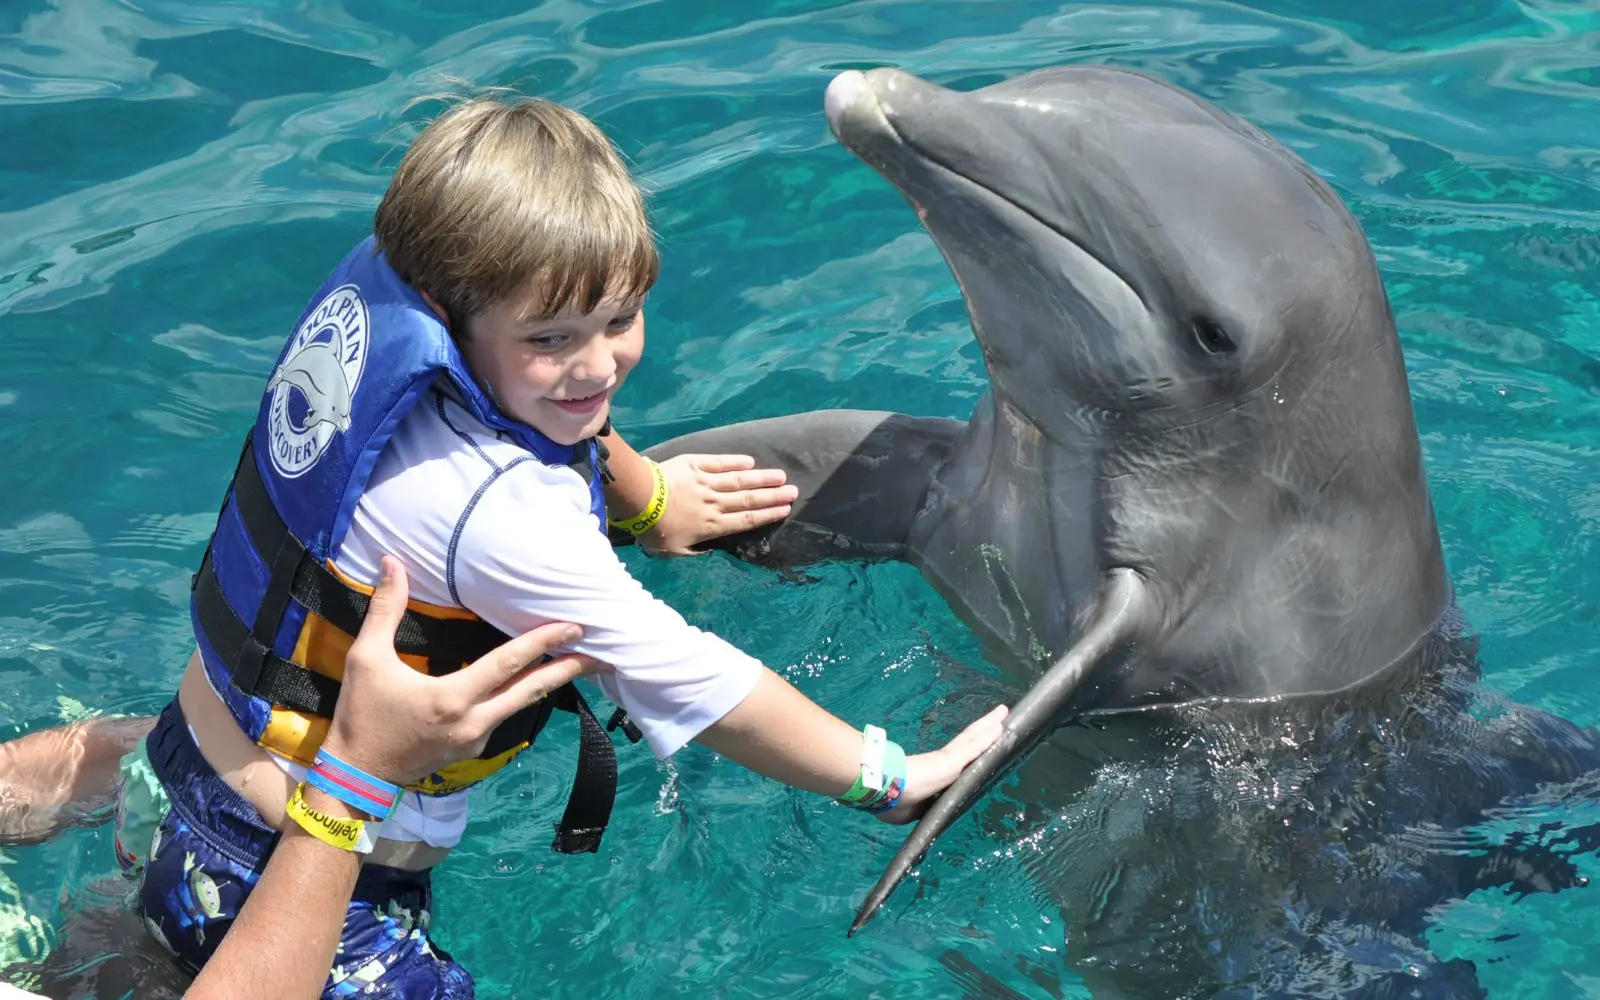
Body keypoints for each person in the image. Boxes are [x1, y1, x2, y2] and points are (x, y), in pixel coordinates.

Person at [129, 90, 1008, 998]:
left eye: (620, 318)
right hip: (284, 883)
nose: (597, 365)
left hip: (176, 778)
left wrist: (651, 505)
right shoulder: (505, 517)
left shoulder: (380, 336)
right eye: (552, 338)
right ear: (448, 309)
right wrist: (893, 777)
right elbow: (695, 680)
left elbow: (566, 420)